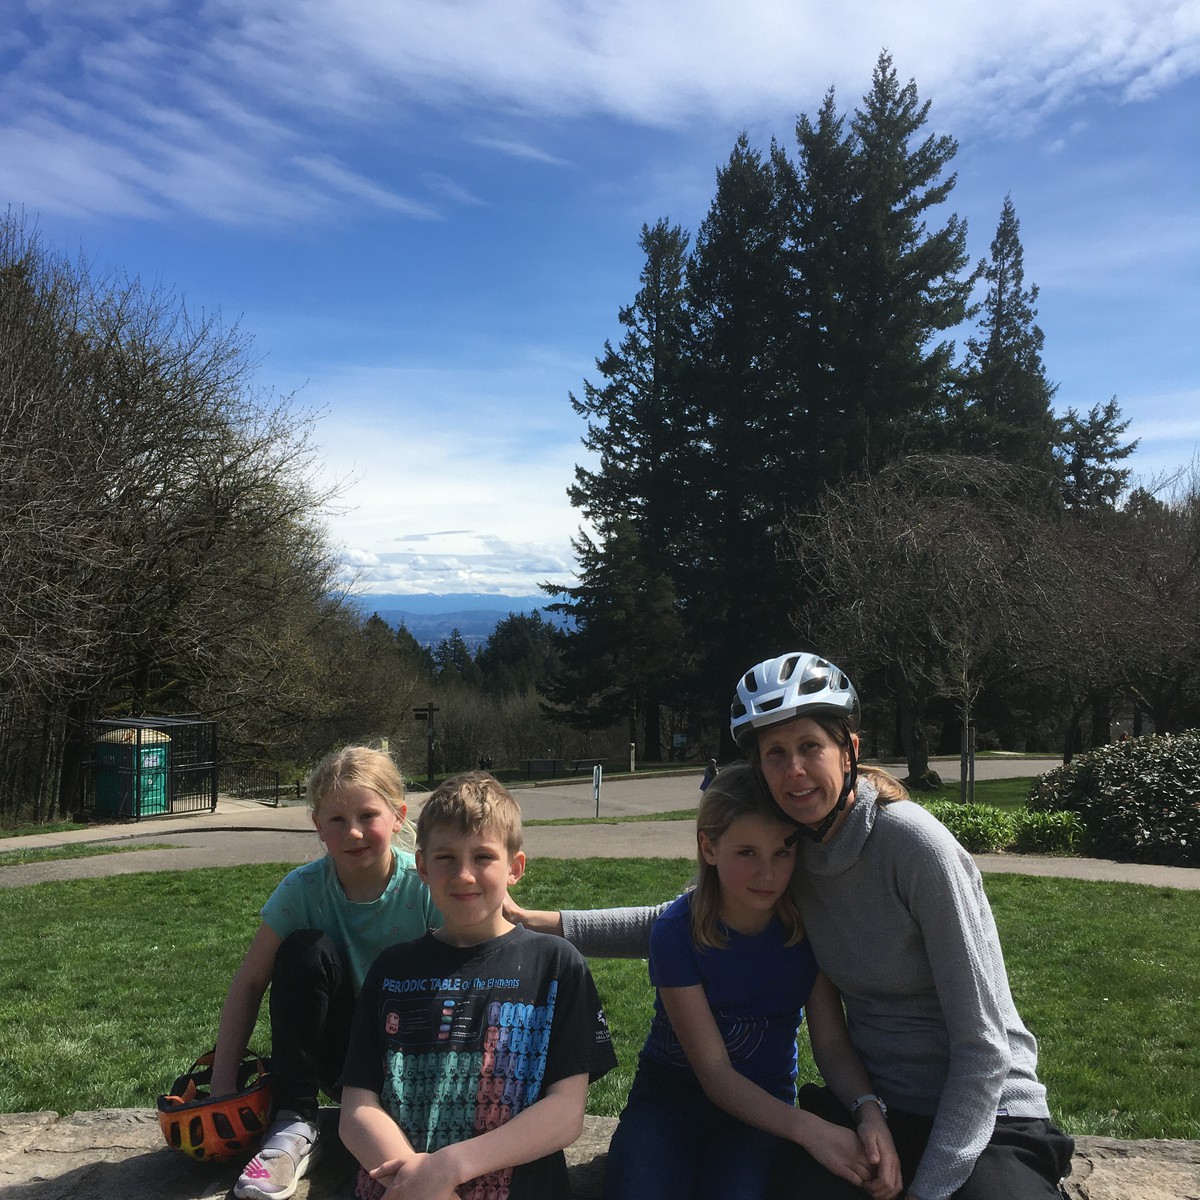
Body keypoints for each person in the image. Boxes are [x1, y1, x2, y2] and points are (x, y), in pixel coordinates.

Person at [508, 653, 1075, 1200]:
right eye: (775, 753)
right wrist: (542, 921)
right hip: (880, 1106)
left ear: (849, 749)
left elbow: (983, 1045)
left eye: (810, 747)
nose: (794, 770)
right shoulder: (792, 849)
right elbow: (681, 919)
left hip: (988, 1111)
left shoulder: (915, 847)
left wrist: (929, 1189)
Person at [602, 762, 899, 1200]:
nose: (768, 873)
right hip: (669, 1101)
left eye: (783, 852)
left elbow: (832, 1046)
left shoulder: (806, 930)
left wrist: (868, 1110)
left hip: (765, 1110)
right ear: (709, 847)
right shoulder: (676, 932)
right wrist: (812, 1131)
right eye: (747, 853)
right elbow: (715, 1073)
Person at [339, 770, 618, 1200]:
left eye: (483, 857)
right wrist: (418, 1184)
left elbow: (565, 1113)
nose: (464, 875)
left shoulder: (557, 965)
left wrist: (448, 1168)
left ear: (515, 868)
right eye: (446, 858)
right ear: (422, 868)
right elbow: (357, 1107)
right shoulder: (391, 969)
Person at [211, 746, 438, 1200]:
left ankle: (418, 1111)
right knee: (302, 950)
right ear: (317, 825)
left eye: (367, 814)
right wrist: (222, 1083)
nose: (353, 831)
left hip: (415, 1054)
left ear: (398, 816)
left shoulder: (428, 885)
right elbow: (250, 981)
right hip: (338, 1056)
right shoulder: (303, 889)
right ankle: (294, 1123)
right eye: (336, 820)